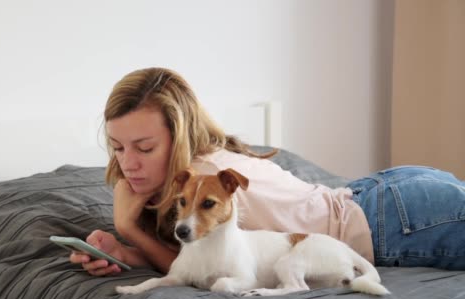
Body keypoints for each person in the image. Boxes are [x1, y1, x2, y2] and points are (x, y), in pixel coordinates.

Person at [70, 67, 465, 275]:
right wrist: (129, 254)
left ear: (182, 138)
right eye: (118, 147)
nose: (128, 163)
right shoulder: (187, 180)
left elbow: (200, 272)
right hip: (378, 195)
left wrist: (130, 229)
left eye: (145, 147)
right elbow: (191, 253)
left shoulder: (209, 175)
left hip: (390, 221)